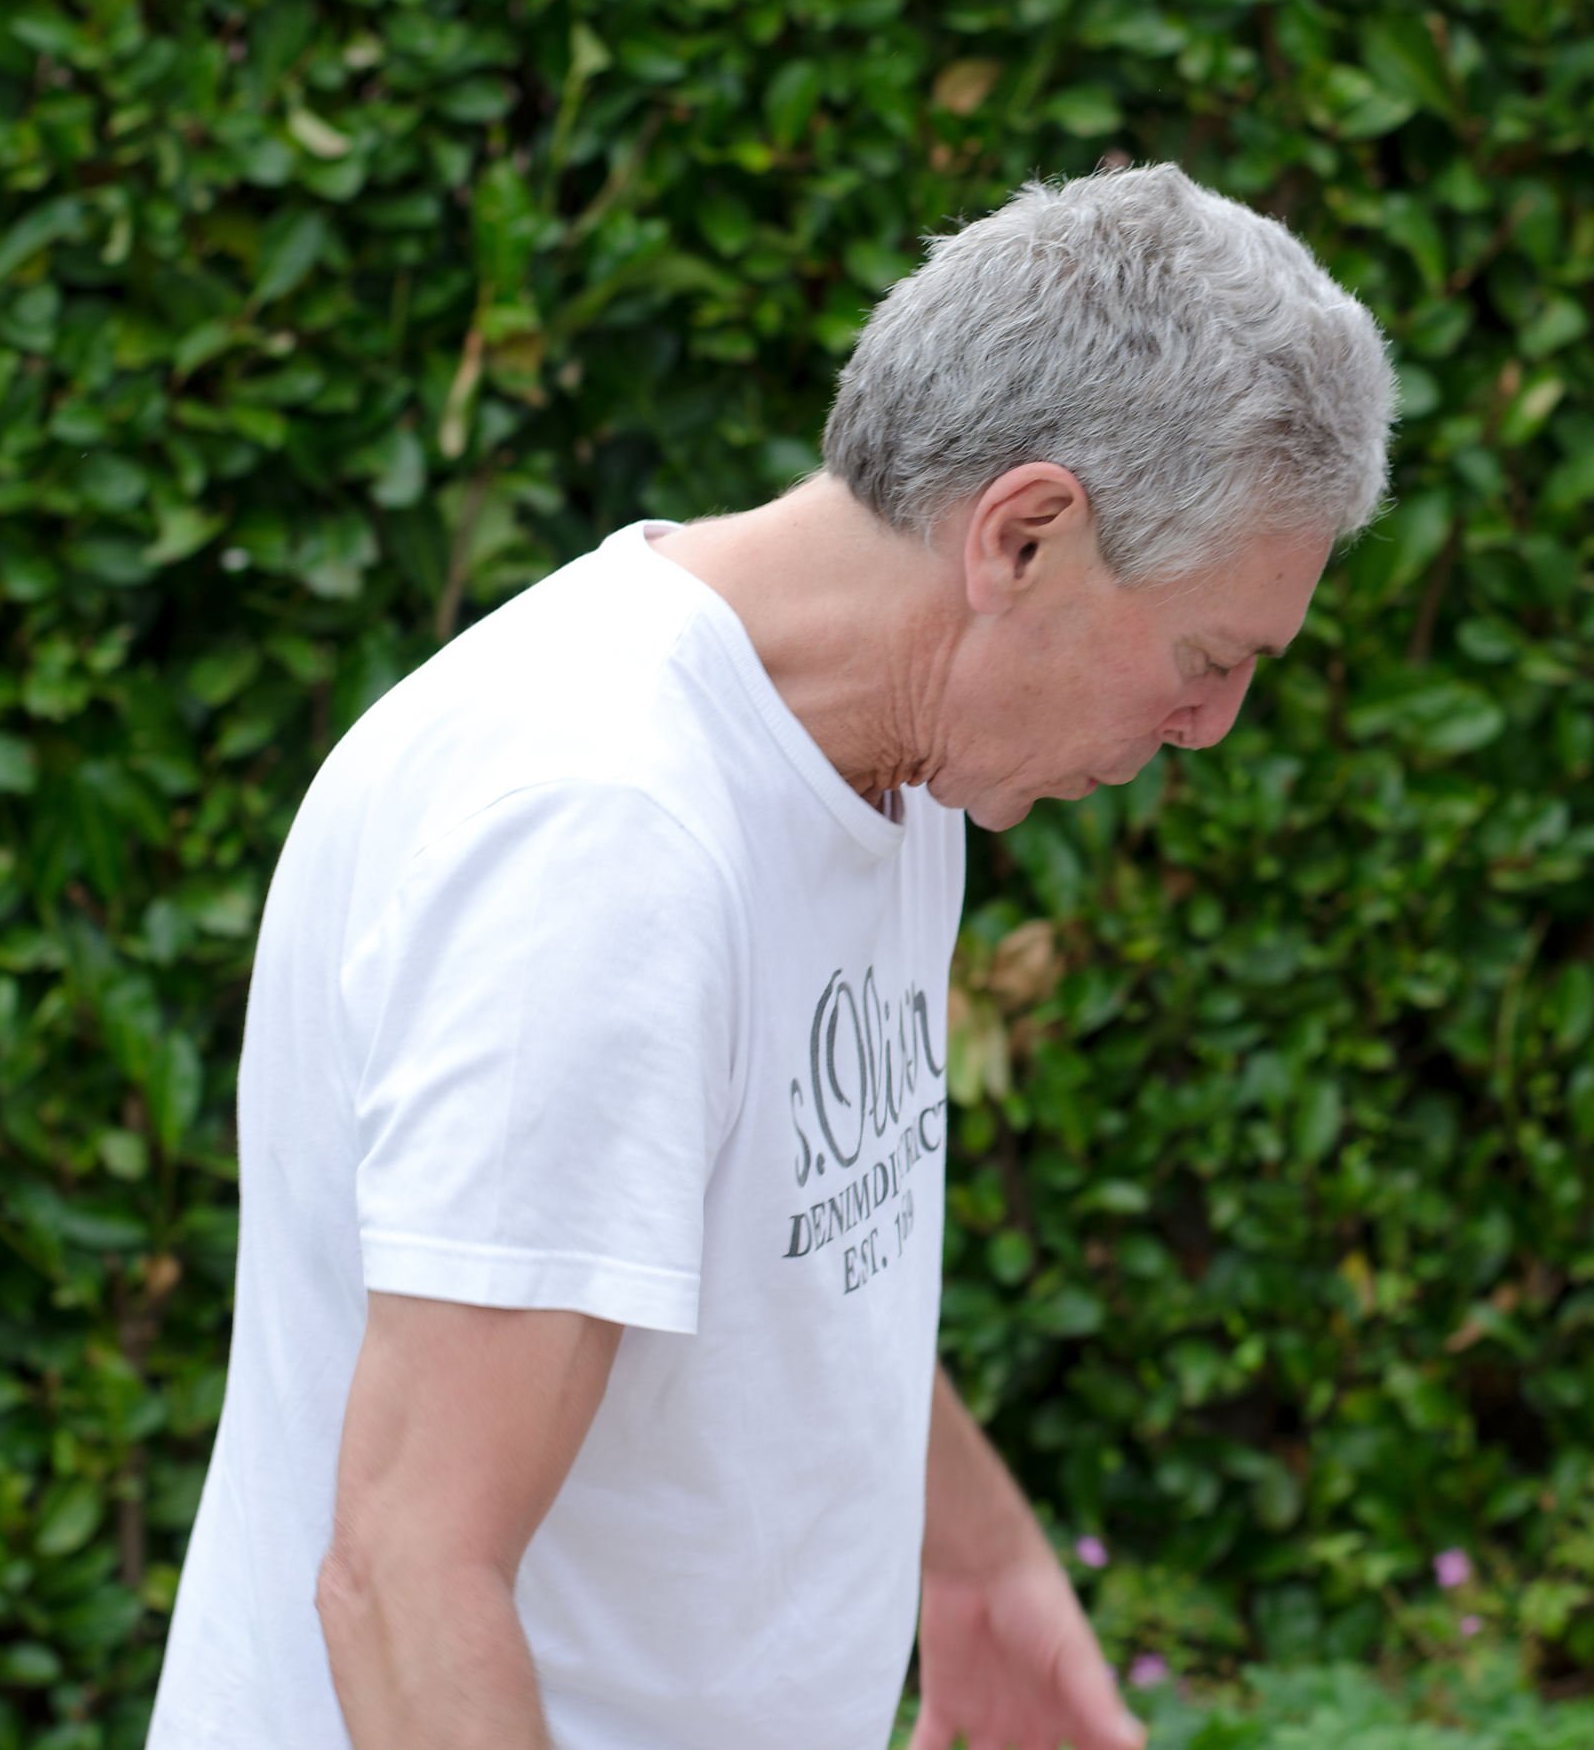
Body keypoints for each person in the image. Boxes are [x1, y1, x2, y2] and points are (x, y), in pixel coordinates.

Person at [144, 161, 1398, 1750]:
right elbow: (403, 1576)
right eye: (1208, 656)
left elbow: (778, 1246)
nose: (1210, 726)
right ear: (1023, 537)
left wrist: (977, 1557)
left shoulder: (897, 762)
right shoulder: (601, 838)